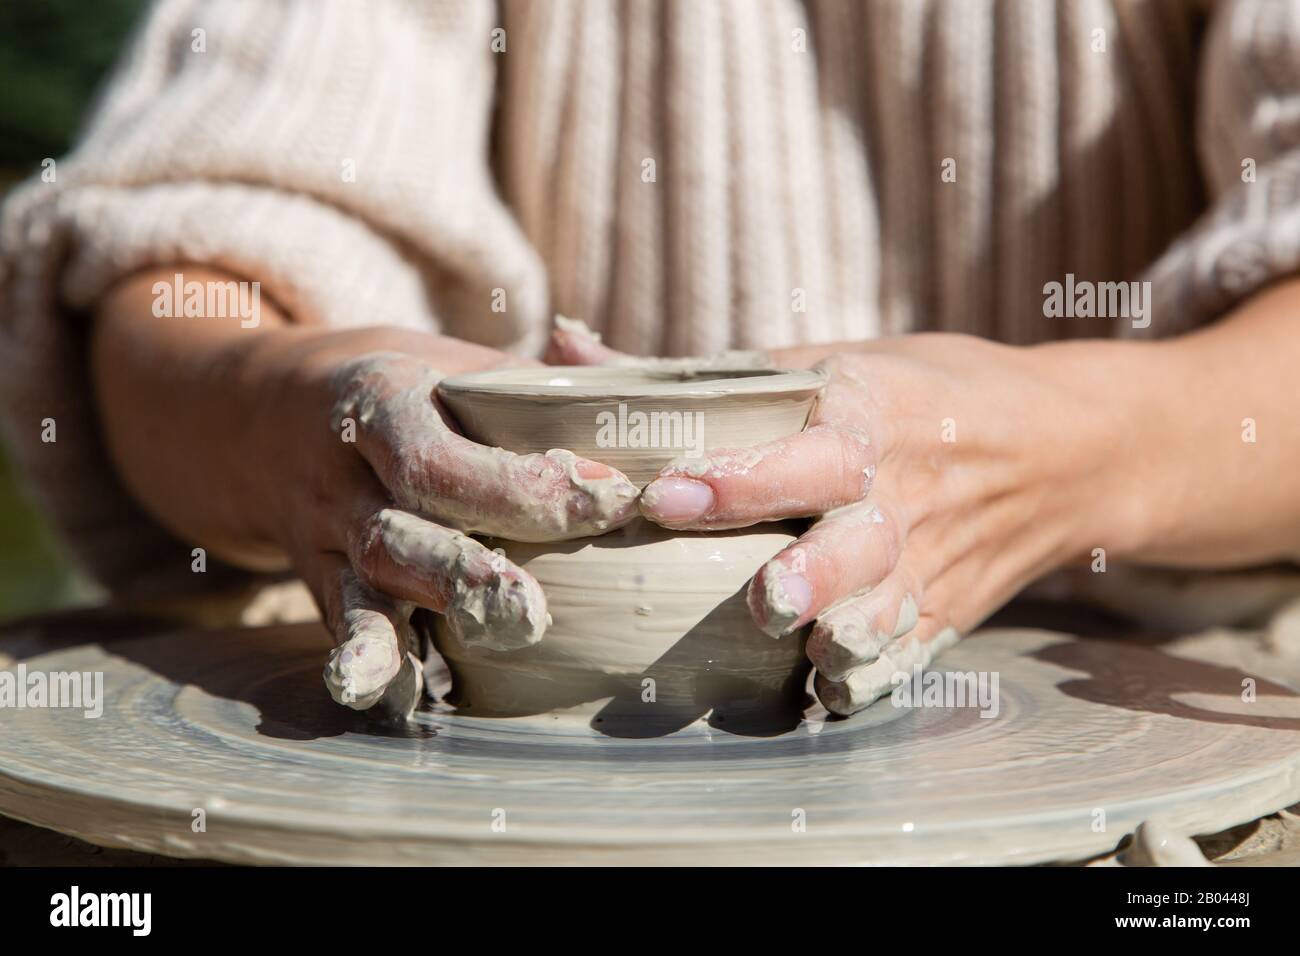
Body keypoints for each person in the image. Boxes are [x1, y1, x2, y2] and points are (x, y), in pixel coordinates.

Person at [3, 0, 1300, 716]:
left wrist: (1047, 456)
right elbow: (172, 257)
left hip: (1160, 678)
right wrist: (298, 417)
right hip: (489, 713)